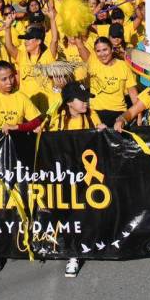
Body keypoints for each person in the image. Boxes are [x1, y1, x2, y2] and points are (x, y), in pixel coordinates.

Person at [51, 81, 98, 279]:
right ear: (69, 102)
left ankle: (89, 244)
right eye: (82, 99)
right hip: (64, 175)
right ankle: (73, 254)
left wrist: (103, 130)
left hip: (87, 175)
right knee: (68, 214)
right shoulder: (58, 119)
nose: (86, 102)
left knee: (86, 212)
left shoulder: (91, 115)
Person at [73, 36, 138, 127]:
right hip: (95, 114)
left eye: (105, 49)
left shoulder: (123, 66)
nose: (102, 54)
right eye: (98, 51)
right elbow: (80, 45)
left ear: (111, 49)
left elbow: (133, 93)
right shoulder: (93, 63)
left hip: (118, 114)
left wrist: (139, 115)